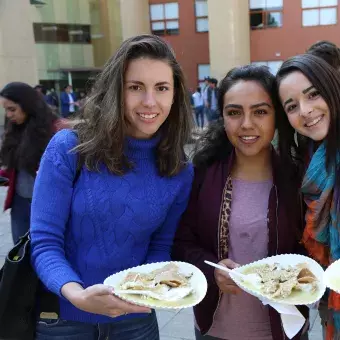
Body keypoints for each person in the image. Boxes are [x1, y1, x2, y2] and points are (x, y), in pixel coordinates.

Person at [30, 34, 194, 340]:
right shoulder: (69, 148)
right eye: (135, 87)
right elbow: (44, 242)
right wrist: (77, 295)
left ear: (175, 95)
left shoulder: (180, 170)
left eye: (162, 88)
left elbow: (160, 246)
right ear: (115, 91)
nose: (149, 102)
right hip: (63, 320)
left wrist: (143, 291)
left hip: (134, 319)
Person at [172, 65, 308, 340]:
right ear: (222, 117)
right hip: (215, 327)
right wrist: (213, 268)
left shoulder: (298, 178)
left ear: (276, 116)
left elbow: (310, 250)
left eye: (260, 112)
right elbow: (181, 242)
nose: (246, 124)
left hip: (283, 328)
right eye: (234, 113)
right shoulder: (202, 173)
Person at [277, 53, 340, 340]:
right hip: (332, 299)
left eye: (313, 94)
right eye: (292, 106)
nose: (305, 110)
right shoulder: (310, 157)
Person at [0, 82, 66, 244]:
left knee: (47, 252)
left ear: (27, 105)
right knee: (20, 257)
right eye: (6, 110)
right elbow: (16, 169)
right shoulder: (15, 128)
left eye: (12, 109)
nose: (8, 115)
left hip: (50, 205)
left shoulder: (57, 129)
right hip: (20, 203)